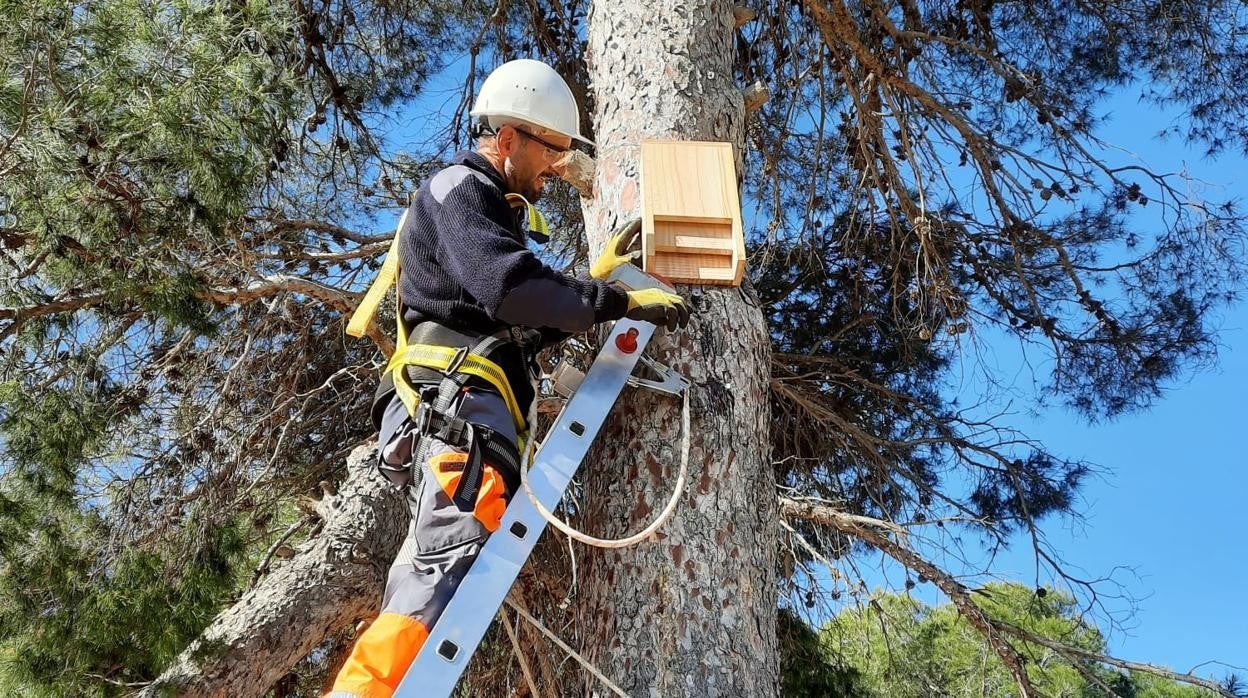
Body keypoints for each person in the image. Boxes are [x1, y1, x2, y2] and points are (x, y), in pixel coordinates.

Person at [328, 59, 690, 698]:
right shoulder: (458, 189)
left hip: (466, 410)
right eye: (550, 149)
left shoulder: (484, 215)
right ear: (509, 139)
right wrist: (616, 303)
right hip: (458, 412)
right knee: (433, 586)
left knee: (432, 582)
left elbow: (519, 324)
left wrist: (599, 290)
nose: (555, 166)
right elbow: (513, 288)